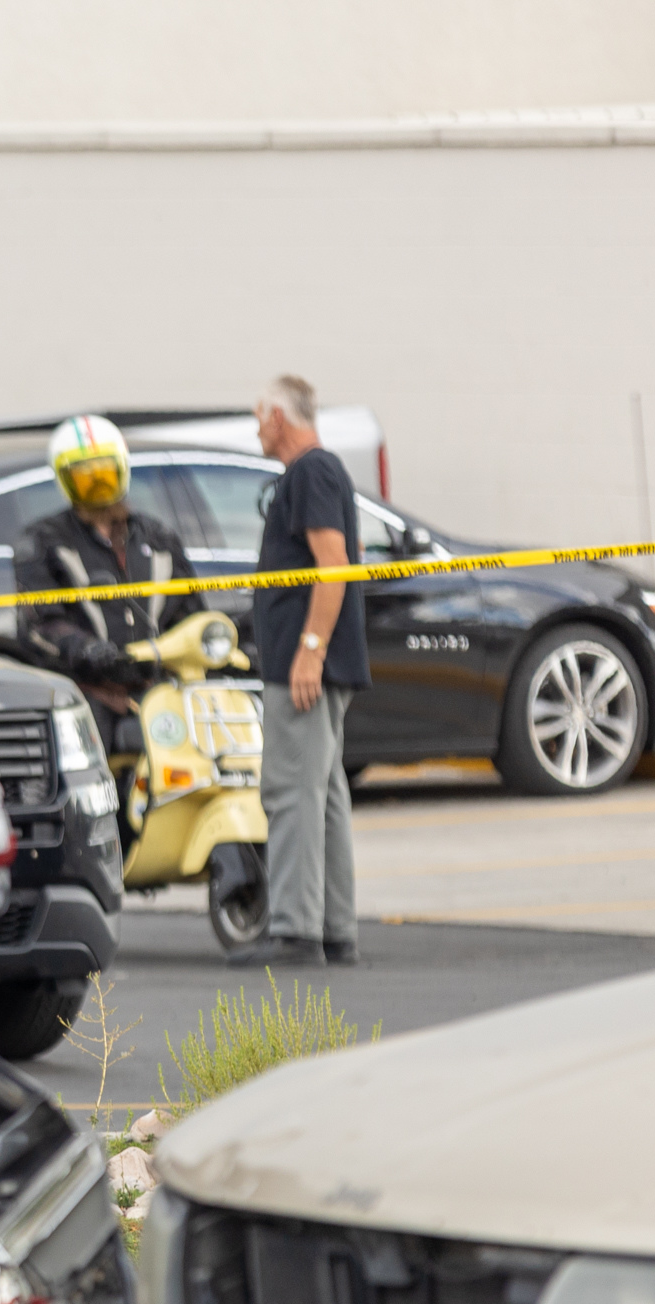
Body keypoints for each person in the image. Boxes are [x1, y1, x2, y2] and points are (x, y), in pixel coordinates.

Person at [239, 374, 368, 969]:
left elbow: (332, 563)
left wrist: (310, 648)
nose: (256, 427)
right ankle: (333, 929)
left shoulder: (312, 471)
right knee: (325, 794)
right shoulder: (322, 471)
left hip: (306, 667)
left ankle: (294, 931)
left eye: (260, 416)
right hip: (318, 664)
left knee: (292, 790)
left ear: (280, 418)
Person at [13, 415, 196, 756]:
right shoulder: (43, 540)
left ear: (123, 470)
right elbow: (37, 625)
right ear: (64, 481)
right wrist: (86, 649)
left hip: (157, 690)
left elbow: (190, 612)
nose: (97, 485)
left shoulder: (158, 537)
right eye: (85, 477)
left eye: (105, 473)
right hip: (86, 691)